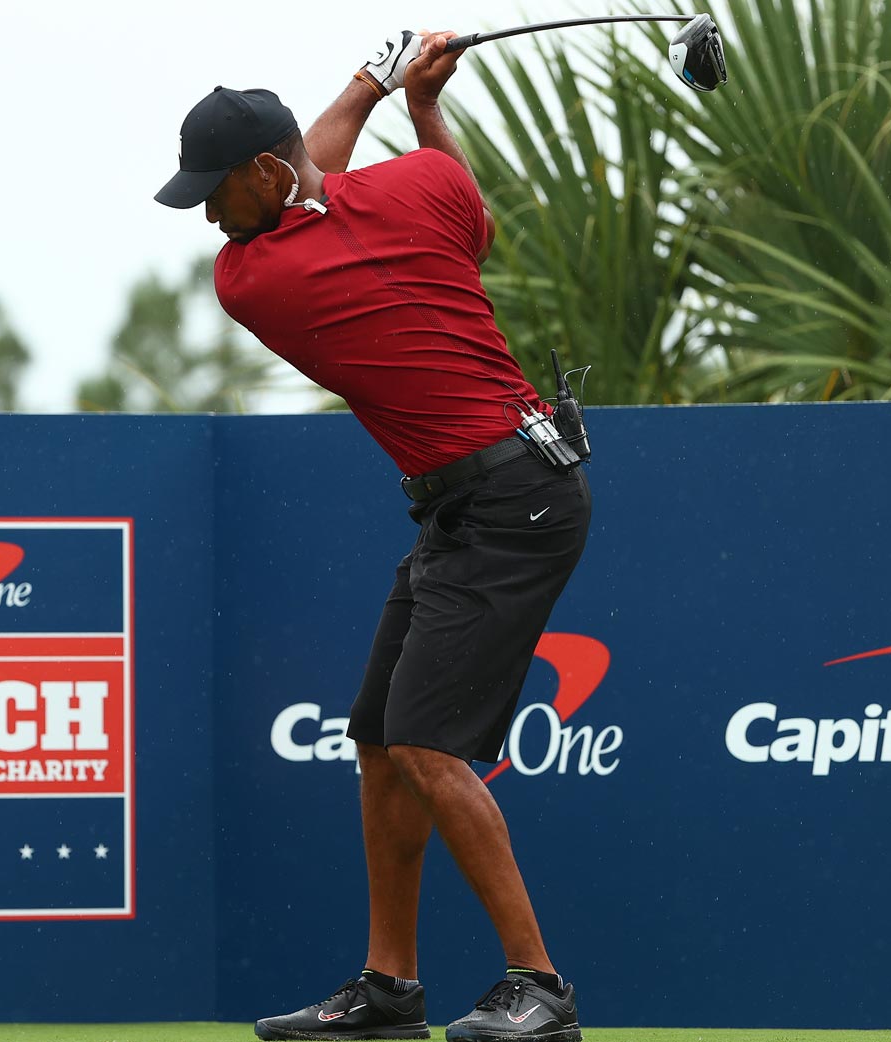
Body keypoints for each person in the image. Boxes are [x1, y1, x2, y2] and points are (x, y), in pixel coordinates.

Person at [154, 30, 594, 1042]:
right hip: (483, 497)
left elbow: (319, 158)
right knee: (378, 744)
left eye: (213, 191)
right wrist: (417, 101)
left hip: (510, 504)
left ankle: (539, 987)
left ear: (264, 177)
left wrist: (373, 76)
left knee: (429, 744)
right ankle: (387, 990)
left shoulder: (255, 278)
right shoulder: (419, 187)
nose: (207, 216)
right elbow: (451, 206)